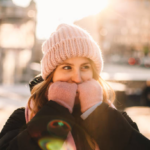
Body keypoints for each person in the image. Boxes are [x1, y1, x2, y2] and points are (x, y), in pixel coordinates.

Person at [0, 23, 150, 150]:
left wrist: (96, 113)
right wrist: (56, 110)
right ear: (51, 74)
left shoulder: (116, 117)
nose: (77, 78)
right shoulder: (22, 118)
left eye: (85, 67)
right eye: (67, 67)